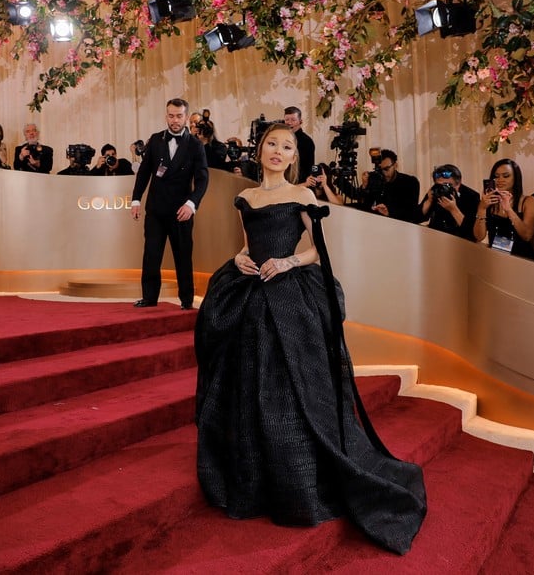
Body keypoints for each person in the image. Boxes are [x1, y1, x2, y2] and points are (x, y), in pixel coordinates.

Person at [194, 123, 426, 555]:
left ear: (295, 156)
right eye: (272, 145)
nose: (278, 151)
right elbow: (245, 245)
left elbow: (318, 251)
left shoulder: (303, 196)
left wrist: (286, 263)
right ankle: (253, 476)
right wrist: (239, 258)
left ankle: (300, 478)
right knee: (250, 386)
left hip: (290, 292)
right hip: (248, 292)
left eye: (287, 146)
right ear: (260, 150)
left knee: (291, 387)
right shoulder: (245, 198)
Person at [130, 98, 208, 310]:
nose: (175, 120)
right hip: (155, 209)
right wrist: (136, 199)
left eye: (179, 116)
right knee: (151, 254)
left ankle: (186, 300)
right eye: (171, 115)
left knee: (183, 255)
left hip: (181, 211)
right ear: (166, 116)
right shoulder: (155, 140)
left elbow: (202, 179)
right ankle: (149, 297)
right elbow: (144, 173)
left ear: (186, 117)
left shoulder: (195, 145)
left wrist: (191, 204)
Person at [473, 158, 534, 258]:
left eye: (506, 176)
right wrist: (481, 209)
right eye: (496, 176)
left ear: (515, 178)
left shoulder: (528, 201)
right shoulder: (490, 201)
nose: (500, 180)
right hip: (497, 258)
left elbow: (527, 235)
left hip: (522, 259)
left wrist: (508, 209)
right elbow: (479, 236)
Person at [417, 164, 480, 241]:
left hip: (460, 242)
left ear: (458, 184)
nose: (442, 189)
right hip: (436, 238)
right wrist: (429, 201)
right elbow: (417, 219)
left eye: (446, 185)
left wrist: (453, 209)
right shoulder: (436, 190)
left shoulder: (471, 196)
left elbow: (472, 233)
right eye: (439, 185)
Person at [359, 149, 420, 223]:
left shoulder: (410, 182)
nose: (384, 173)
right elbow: (363, 206)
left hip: (400, 226)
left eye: (386, 169)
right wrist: (364, 186)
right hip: (375, 223)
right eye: (380, 170)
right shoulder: (374, 177)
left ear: (395, 165)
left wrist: (389, 212)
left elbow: (412, 213)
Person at [283, 106, 315, 182]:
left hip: (300, 182)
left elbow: (308, 167)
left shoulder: (307, 141)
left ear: (300, 121)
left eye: (293, 120)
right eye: (287, 119)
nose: (289, 123)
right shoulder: (282, 138)